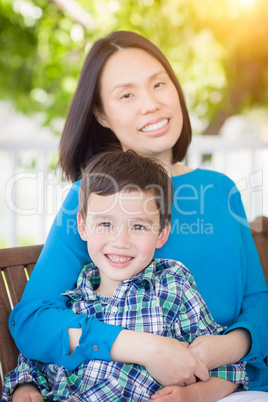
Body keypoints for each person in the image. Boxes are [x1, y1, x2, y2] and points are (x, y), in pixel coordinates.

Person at [8, 31, 268, 401]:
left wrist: (227, 348)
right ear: (100, 114)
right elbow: (34, 319)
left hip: (222, 387)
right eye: (126, 94)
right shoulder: (89, 199)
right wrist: (146, 348)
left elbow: (259, 301)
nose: (151, 104)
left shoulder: (220, 190)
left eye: (159, 84)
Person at [2, 150, 248, 401]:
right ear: (83, 227)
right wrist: (26, 388)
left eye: (138, 226)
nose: (121, 241)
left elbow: (228, 371)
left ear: (161, 234)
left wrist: (191, 396)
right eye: (106, 224)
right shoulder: (72, 301)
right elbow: (34, 363)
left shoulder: (172, 286)